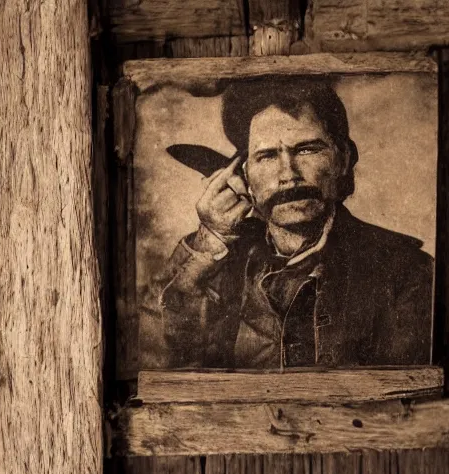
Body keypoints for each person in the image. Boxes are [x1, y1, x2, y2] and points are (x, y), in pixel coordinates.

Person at [151, 76, 433, 369]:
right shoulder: (216, 264)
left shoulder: (407, 272)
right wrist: (210, 242)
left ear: (344, 159)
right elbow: (156, 361)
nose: (289, 174)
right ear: (243, 176)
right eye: (268, 156)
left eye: (307, 149)